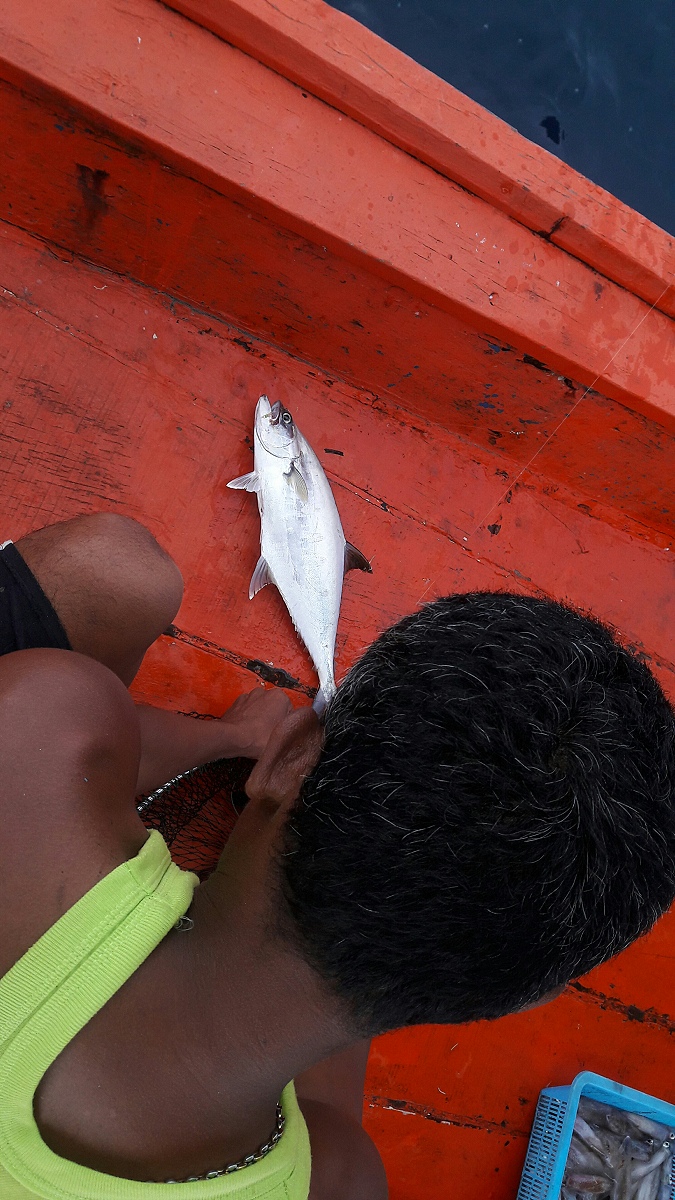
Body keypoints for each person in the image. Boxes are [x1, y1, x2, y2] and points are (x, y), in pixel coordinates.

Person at [2, 513, 675, 1200]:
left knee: (112, 570)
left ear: (289, 756)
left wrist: (228, 742)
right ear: (520, 997)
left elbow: (71, 740)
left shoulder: (42, 726)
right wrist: (413, 932)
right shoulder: (343, 1181)